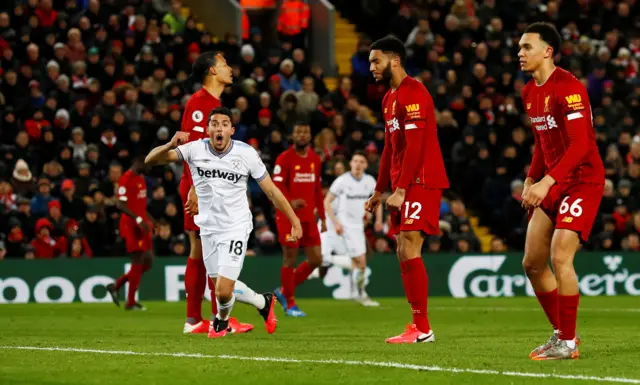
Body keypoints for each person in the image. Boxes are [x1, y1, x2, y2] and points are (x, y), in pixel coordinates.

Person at [145, 107, 301, 338]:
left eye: (224, 124)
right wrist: (170, 144)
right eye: (215, 124)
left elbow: (271, 191)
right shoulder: (194, 149)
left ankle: (221, 321)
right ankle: (263, 302)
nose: (219, 128)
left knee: (223, 289)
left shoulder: (246, 153)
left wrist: (294, 220)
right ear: (207, 129)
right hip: (207, 228)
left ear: (232, 130)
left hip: (236, 226)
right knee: (219, 291)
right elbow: (150, 160)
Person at [518, 22, 604, 360]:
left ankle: (567, 344)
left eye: (527, 47)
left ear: (547, 51)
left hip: (582, 180)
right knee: (532, 263)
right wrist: (531, 179)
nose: (520, 53)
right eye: (520, 47)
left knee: (560, 255)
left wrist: (547, 182)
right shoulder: (529, 92)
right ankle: (562, 335)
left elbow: (581, 144)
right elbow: (542, 141)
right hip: (553, 181)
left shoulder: (569, 87)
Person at [364, 36, 449, 343]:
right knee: (402, 248)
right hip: (404, 182)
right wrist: (379, 190)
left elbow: (414, 147)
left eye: (376, 61)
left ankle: (424, 329)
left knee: (410, 244)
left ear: (395, 60)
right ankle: (417, 325)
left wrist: (400, 189)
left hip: (422, 179)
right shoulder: (389, 98)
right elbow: (390, 146)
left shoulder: (414, 93)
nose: (371, 67)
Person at [179, 51, 253, 334]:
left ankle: (197, 320)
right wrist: (196, 191)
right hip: (199, 190)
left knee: (200, 250)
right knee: (205, 249)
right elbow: (190, 153)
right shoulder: (201, 104)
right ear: (212, 71)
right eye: (224, 65)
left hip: (207, 189)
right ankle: (215, 319)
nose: (230, 69)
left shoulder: (212, 104)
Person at [272, 123, 326, 317]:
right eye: (298, 132)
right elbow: (276, 186)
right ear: (292, 135)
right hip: (288, 216)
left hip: (309, 218)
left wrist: (323, 215)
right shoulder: (284, 159)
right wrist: (290, 202)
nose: (302, 135)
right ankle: (290, 303)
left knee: (316, 259)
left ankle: (284, 291)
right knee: (290, 258)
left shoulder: (315, 159)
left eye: (305, 132)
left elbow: (317, 190)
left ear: (310, 136)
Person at [322, 151, 382, 306]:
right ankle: (361, 294)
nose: (358, 164)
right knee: (361, 262)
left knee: (360, 264)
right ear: (351, 163)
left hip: (358, 227)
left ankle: (328, 261)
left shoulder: (369, 181)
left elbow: (377, 201)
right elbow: (327, 201)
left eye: (361, 161)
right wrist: (336, 222)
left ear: (366, 165)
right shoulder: (342, 181)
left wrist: (377, 219)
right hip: (345, 225)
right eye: (355, 161)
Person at [106, 156, 155, 311]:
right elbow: (120, 204)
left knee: (147, 262)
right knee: (138, 259)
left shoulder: (141, 179)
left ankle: (116, 285)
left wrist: (150, 219)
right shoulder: (125, 179)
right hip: (131, 225)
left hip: (142, 223)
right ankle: (131, 302)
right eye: (146, 164)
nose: (149, 168)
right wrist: (138, 218)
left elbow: (138, 204)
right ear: (137, 162)